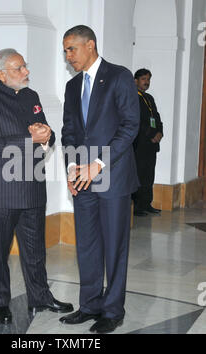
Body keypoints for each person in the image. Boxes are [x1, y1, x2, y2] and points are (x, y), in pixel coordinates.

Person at [0, 48, 73, 324]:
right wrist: (29, 139)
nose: (26, 72)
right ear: (1, 74)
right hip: (2, 189)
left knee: (35, 249)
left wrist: (46, 137)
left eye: (25, 66)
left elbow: (46, 136)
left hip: (32, 185)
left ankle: (41, 297)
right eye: (19, 68)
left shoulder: (32, 97)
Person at [60, 25, 140, 333]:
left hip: (113, 177)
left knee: (115, 247)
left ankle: (112, 310)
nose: (68, 56)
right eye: (65, 51)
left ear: (90, 45)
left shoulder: (119, 77)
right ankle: (90, 304)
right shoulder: (71, 86)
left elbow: (130, 127)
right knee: (88, 245)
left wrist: (97, 163)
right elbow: (69, 132)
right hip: (82, 180)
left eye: (72, 49)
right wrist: (71, 169)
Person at [132, 69, 163, 216]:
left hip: (151, 145)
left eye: (148, 79)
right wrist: (151, 134)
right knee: (139, 174)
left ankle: (146, 203)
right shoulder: (132, 97)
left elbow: (156, 118)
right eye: (143, 79)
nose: (146, 82)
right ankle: (136, 206)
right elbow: (136, 120)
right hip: (140, 144)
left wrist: (159, 132)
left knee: (149, 175)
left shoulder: (149, 98)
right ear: (135, 80)